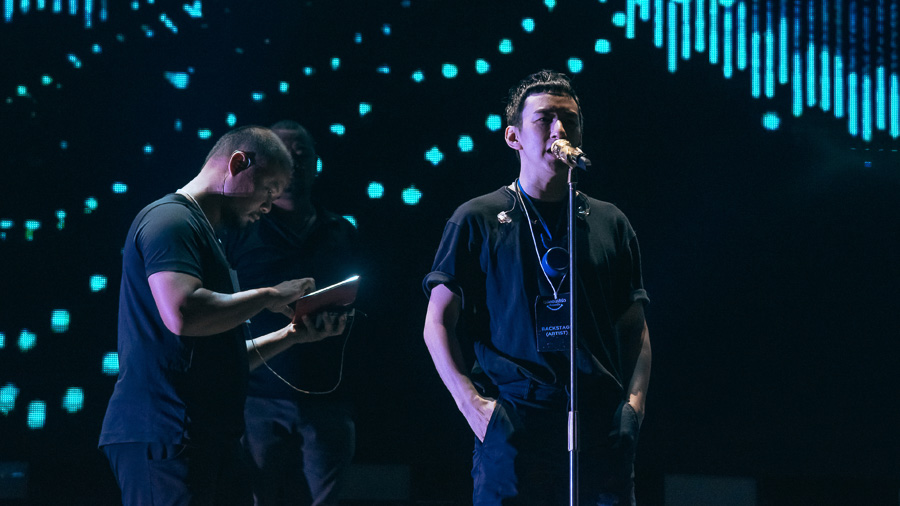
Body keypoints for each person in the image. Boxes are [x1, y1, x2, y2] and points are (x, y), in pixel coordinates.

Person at [422, 70, 652, 505]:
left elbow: (635, 328)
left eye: (570, 120)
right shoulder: (477, 219)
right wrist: (473, 406)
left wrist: (633, 409)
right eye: (544, 119)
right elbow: (437, 322)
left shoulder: (610, 222)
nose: (559, 129)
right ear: (514, 137)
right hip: (515, 419)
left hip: (599, 423)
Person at [99, 125, 348, 505]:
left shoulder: (204, 236)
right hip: (166, 433)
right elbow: (183, 314)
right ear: (238, 163)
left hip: (204, 437)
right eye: (269, 189)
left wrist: (291, 335)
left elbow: (219, 357)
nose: (268, 206)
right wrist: (268, 295)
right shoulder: (171, 220)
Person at [223, 120, 359, 506]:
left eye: (303, 155)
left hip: (327, 395)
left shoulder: (341, 230)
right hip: (257, 395)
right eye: (285, 156)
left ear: (316, 164)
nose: (295, 165)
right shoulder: (242, 229)